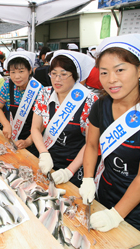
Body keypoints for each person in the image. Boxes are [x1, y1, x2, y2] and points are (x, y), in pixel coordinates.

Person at [79, 34, 140, 236]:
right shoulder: (101, 105)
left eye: (120, 70)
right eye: (104, 72)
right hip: (108, 185)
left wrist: (115, 215)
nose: (111, 80)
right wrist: (87, 179)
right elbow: (92, 146)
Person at [32, 50, 98, 187]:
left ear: (75, 76)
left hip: (75, 166)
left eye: (63, 74)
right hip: (48, 160)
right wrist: (43, 153)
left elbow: (90, 143)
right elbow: (35, 128)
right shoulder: (44, 93)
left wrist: (68, 171)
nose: (57, 79)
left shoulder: (89, 100)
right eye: (54, 74)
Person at [0, 51, 42, 156]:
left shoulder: (38, 89)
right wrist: (6, 124)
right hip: (13, 135)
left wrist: (29, 141)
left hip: (34, 140)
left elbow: (43, 122)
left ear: (30, 71)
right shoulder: (8, 85)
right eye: (13, 72)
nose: (16, 77)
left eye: (21, 71)